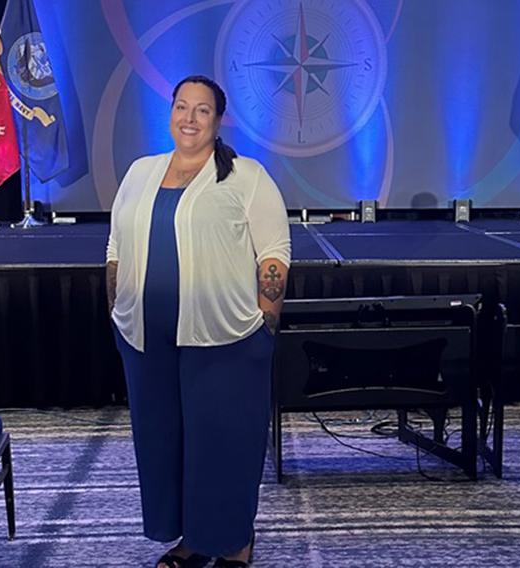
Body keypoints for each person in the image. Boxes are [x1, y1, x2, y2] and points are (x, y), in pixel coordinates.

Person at [105, 75, 290, 568]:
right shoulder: (141, 172)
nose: (189, 118)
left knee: (222, 445)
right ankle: (191, 541)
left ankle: (233, 544)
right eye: (181, 107)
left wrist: (263, 326)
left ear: (218, 119)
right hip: (147, 339)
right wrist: (117, 311)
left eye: (201, 110)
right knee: (168, 444)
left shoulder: (246, 176)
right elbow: (116, 248)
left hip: (226, 340)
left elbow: (273, 255)